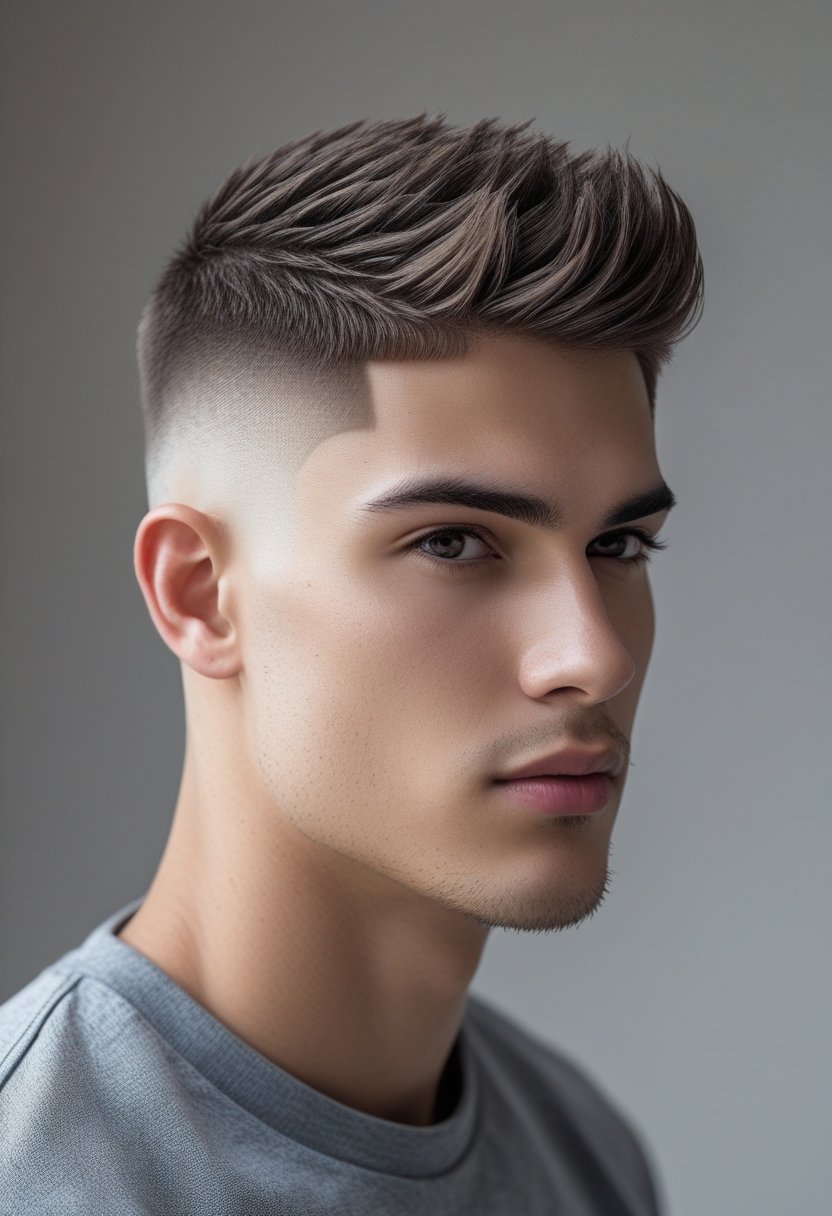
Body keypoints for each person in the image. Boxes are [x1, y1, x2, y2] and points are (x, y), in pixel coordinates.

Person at [0, 113, 703, 1213]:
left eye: (616, 545)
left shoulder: (588, 1158)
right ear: (197, 592)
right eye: (453, 542)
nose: (593, 656)